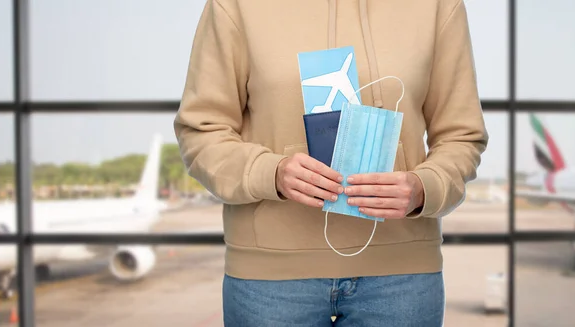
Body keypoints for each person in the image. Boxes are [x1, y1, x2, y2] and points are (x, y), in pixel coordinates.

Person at [174, 0, 488, 325]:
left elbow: (462, 136)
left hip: (402, 276)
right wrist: (272, 172)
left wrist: (424, 187)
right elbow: (201, 132)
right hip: (270, 277)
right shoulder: (236, 5)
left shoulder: (437, 5)